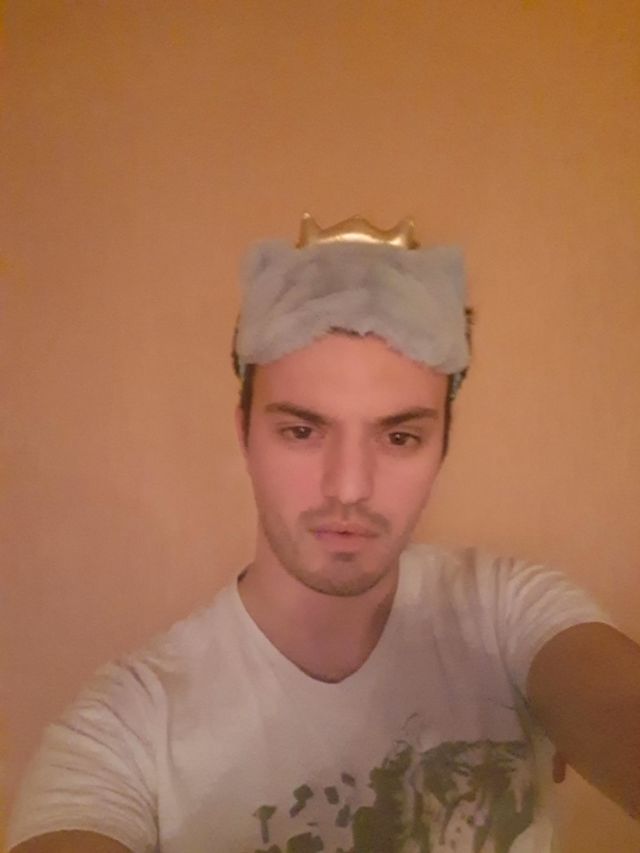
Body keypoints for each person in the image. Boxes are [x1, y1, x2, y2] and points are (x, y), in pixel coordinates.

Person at [9, 215, 640, 853]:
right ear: (245, 434)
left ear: (443, 446)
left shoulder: (508, 614)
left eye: (400, 437)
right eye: (302, 431)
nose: (349, 487)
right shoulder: (128, 728)